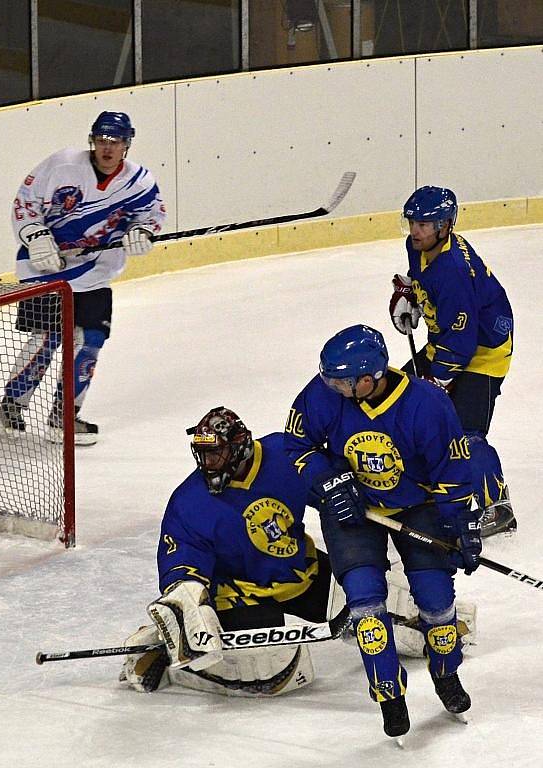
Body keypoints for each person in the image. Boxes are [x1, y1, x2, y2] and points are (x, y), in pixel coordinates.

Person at [119, 406, 476, 699]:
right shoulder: (189, 502)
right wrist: (189, 610)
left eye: (216, 452)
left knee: (376, 601)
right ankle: (166, 653)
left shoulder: (283, 456)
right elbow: (182, 570)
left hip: (299, 571)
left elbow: (332, 487)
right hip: (242, 594)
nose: (208, 463)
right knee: (277, 672)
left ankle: (432, 626)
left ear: (240, 445)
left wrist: (353, 499)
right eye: (204, 454)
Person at [283, 324, 482, 740]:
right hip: (352, 510)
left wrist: (461, 528)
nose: (333, 387)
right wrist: (329, 480)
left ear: (371, 376)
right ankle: (389, 693)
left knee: (436, 600)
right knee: (366, 607)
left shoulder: (427, 405)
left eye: (343, 381)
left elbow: (453, 470)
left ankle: (446, 672)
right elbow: (296, 446)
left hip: (418, 506)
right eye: (330, 379)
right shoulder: (324, 393)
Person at [0, 111, 167, 445]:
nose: (107, 148)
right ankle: (13, 405)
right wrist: (35, 236)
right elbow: (25, 202)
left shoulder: (139, 182)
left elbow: (152, 214)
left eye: (114, 142)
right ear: (92, 141)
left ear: (126, 145)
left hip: (96, 274)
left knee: (91, 340)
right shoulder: (62, 165)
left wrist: (143, 231)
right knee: (48, 338)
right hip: (45, 270)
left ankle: (65, 416)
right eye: (101, 141)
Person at [389, 185, 514, 537]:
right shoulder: (420, 247)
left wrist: (439, 382)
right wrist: (408, 295)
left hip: (484, 353)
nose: (416, 230)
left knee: (465, 433)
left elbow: (463, 341)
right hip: (448, 340)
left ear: (445, 225)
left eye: (425, 224)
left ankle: (497, 507)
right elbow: (423, 284)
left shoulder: (455, 270)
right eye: (412, 222)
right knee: (395, 394)